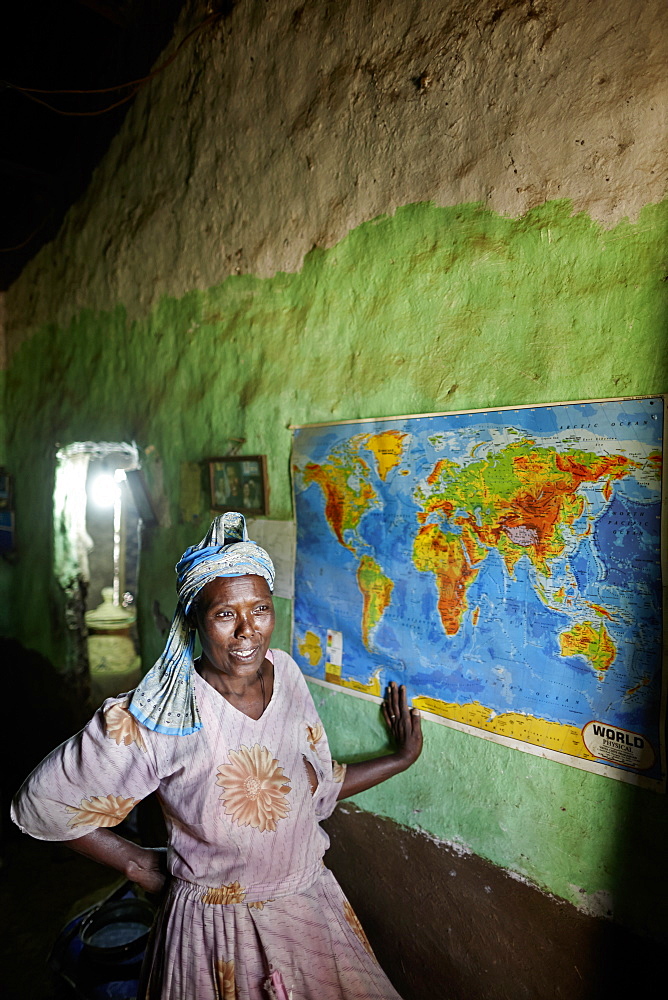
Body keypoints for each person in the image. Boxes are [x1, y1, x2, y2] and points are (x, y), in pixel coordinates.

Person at [11, 513, 423, 999]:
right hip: (215, 932)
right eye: (226, 614)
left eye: (261, 609)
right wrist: (136, 862)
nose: (248, 631)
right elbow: (44, 803)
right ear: (193, 621)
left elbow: (310, 788)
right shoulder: (162, 711)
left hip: (309, 909)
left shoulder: (286, 674)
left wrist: (400, 758)